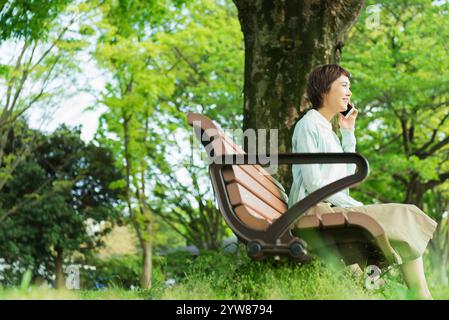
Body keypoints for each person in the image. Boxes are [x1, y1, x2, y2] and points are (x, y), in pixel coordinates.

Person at [288, 64, 438, 300]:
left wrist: (348, 133)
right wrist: (353, 206)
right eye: (344, 86)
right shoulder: (309, 125)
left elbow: (345, 178)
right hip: (313, 209)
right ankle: (421, 294)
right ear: (324, 89)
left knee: (404, 223)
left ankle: (419, 293)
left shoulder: (327, 128)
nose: (349, 93)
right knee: (407, 214)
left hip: (327, 207)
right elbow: (314, 184)